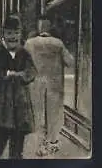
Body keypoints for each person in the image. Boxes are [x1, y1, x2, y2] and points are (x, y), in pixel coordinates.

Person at [0, 14, 37, 159]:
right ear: (3, 33)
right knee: (0, 139)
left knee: (18, 143)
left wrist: (23, 75)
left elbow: (32, 71)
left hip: (20, 104)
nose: (13, 37)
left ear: (20, 34)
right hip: (0, 103)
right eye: (9, 33)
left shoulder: (24, 52)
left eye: (16, 33)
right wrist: (7, 73)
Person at [25, 17, 74, 156]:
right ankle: (51, 143)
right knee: (54, 115)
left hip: (36, 84)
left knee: (38, 114)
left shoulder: (30, 43)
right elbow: (70, 61)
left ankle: (40, 146)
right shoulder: (58, 43)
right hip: (54, 84)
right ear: (50, 27)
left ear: (39, 27)